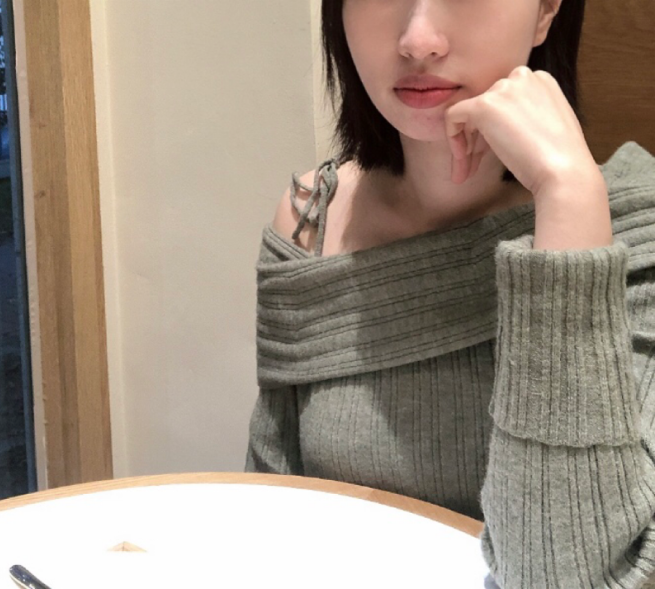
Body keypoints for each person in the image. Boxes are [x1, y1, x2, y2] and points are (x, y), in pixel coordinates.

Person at [244, 0, 655, 587]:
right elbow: (269, 509)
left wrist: (566, 200)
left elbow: (575, 576)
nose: (419, 41)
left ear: (545, 11)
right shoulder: (312, 219)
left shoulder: (638, 233)